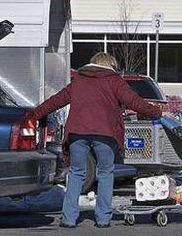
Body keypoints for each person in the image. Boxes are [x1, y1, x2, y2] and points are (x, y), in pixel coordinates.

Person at [27, 52, 162, 228]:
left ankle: (68, 219)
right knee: (106, 173)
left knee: (76, 173)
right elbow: (134, 101)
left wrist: (34, 114)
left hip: (77, 132)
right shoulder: (114, 80)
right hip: (105, 133)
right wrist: (155, 112)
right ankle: (103, 219)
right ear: (110, 65)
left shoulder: (78, 81)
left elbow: (56, 101)